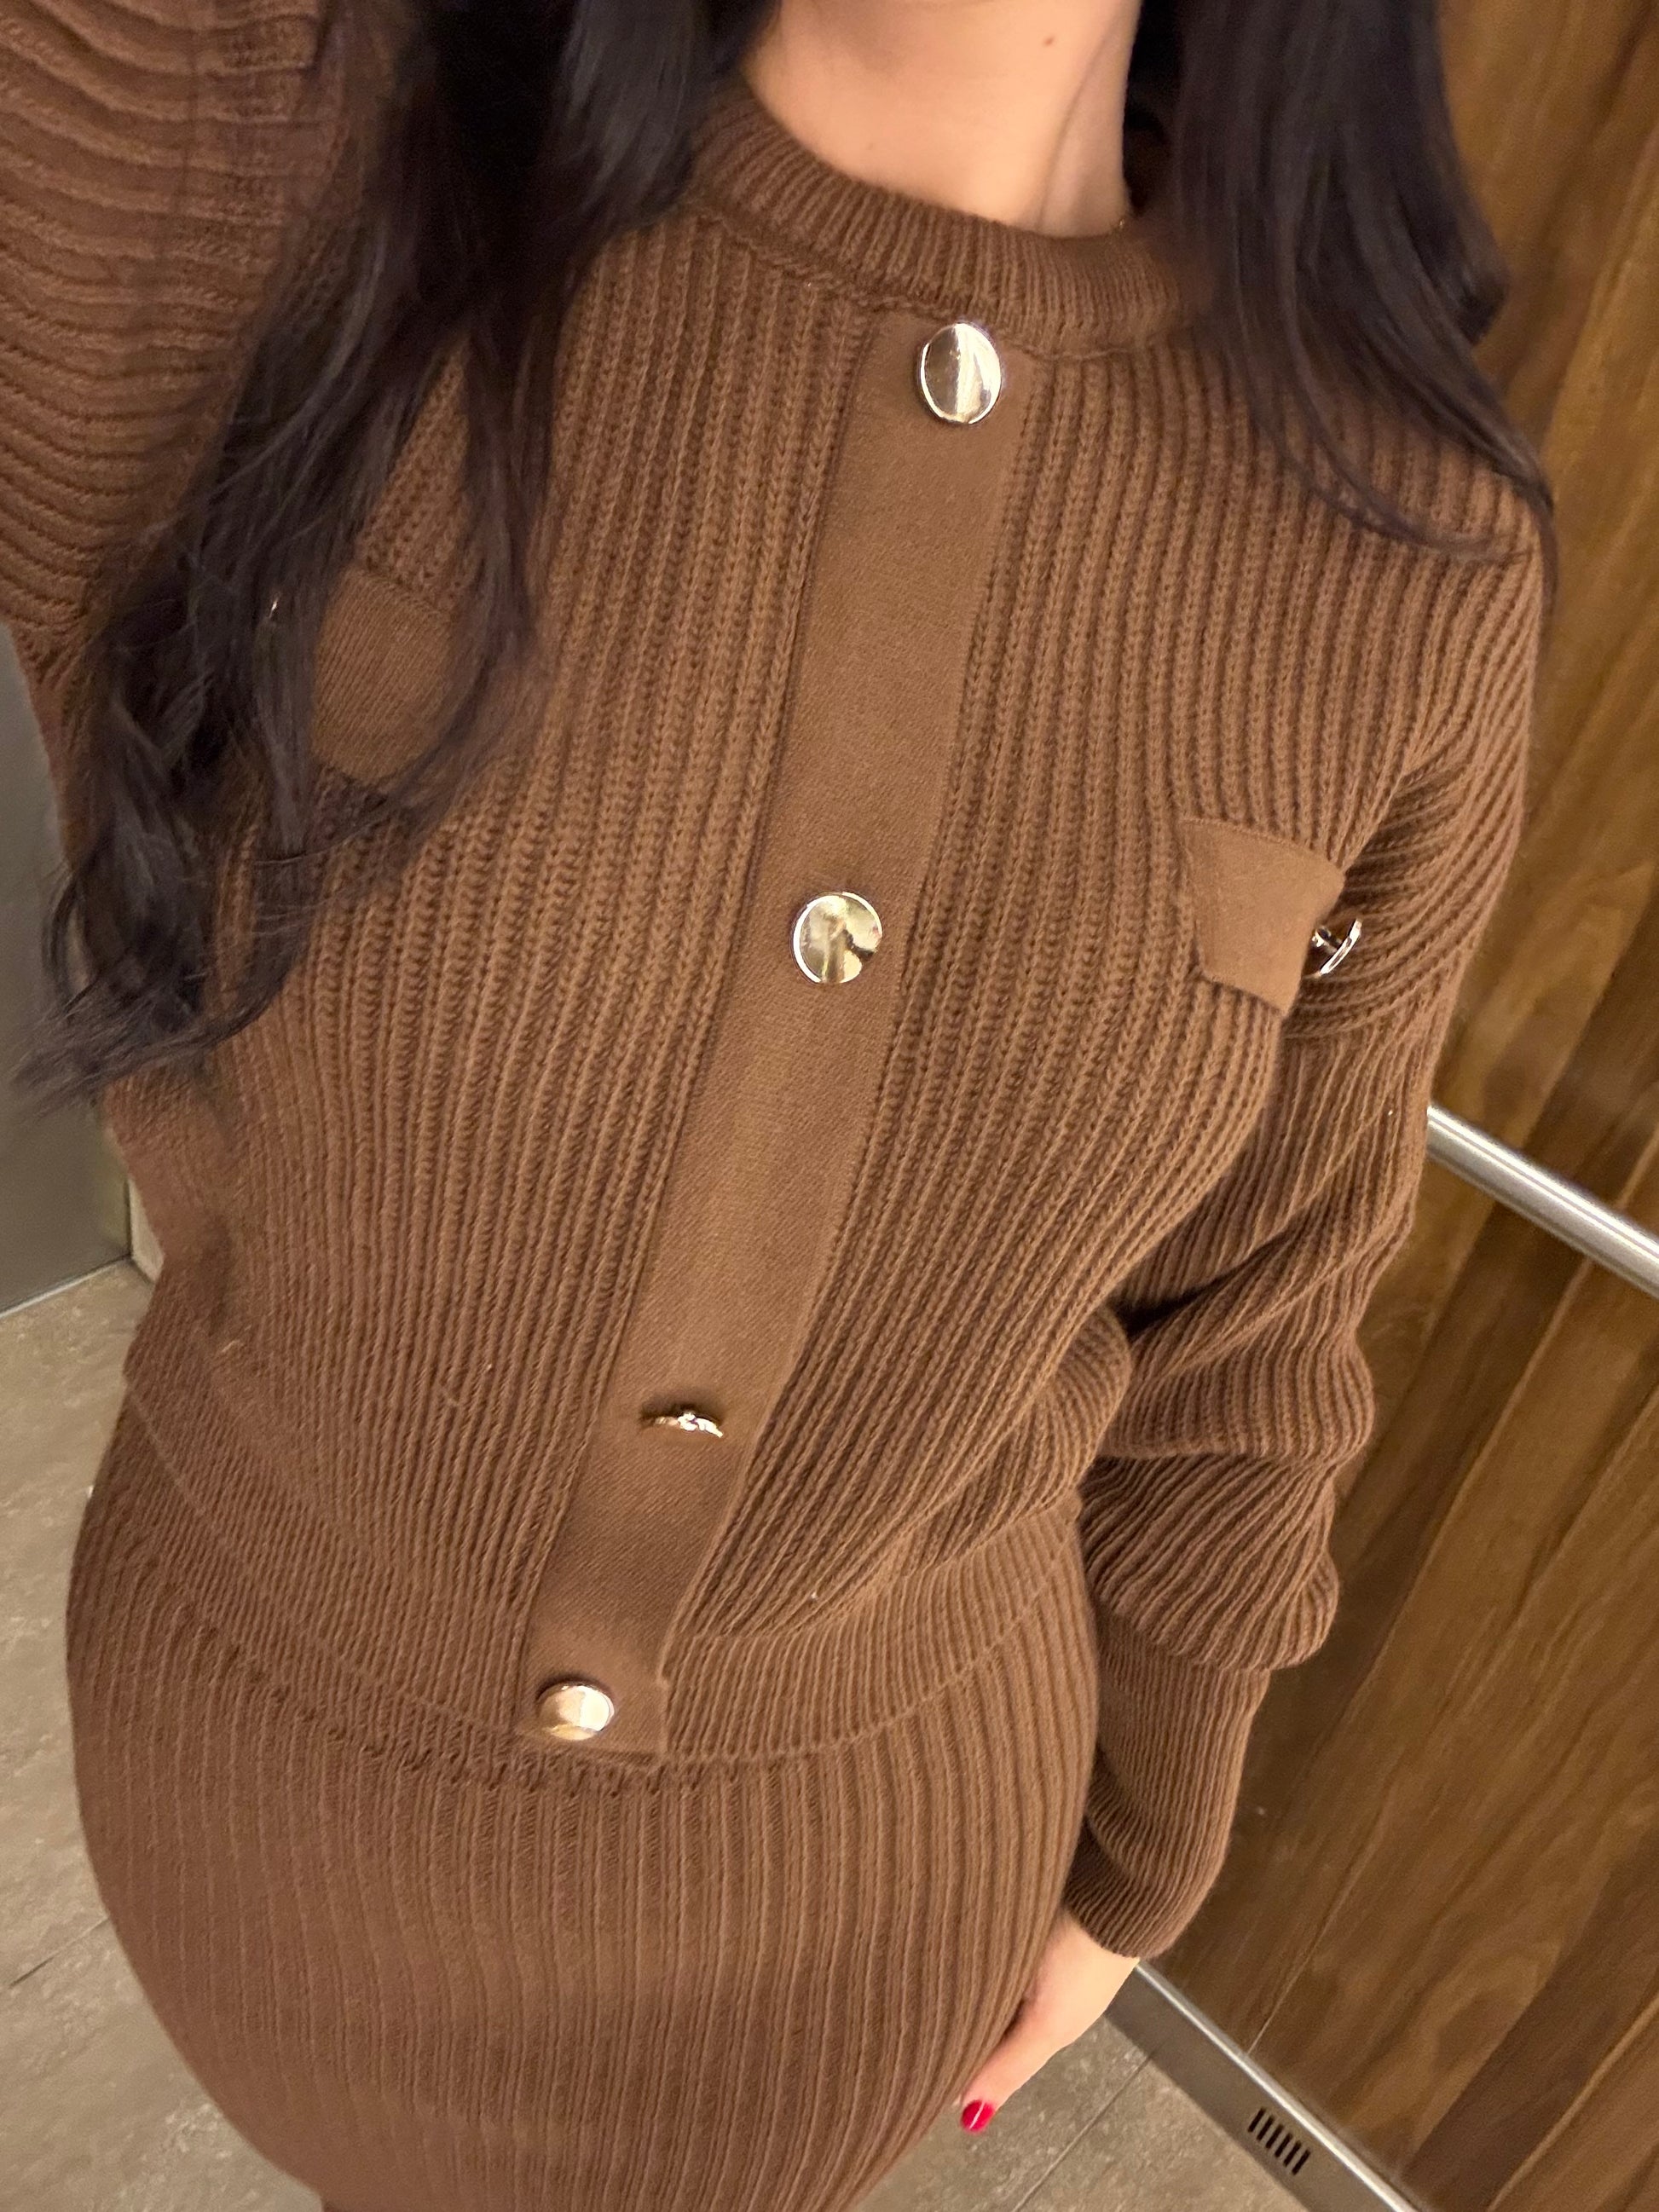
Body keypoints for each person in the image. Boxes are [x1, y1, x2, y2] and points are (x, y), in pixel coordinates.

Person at [0, 0, 1550, 2207]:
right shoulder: (271, 171)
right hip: (257, 1806)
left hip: (865, 1905)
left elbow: (1264, 1318)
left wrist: (1144, 1848)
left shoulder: (1407, 562)